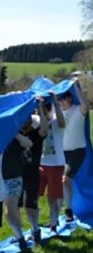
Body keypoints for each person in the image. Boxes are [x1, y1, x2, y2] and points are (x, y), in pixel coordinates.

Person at [18, 98, 48, 243]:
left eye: (27, 118)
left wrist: (40, 107)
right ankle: (18, 235)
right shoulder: (16, 134)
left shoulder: (36, 134)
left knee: (30, 206)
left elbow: (45, 127)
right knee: (14, 207)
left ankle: (35, 229)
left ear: (30, 120)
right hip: (16, 175)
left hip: (32, 175)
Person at [59, 79, 89, 222]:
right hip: (61, 153)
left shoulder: (78, 110)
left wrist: (76, 86)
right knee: (59, 182)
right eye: (60, 99)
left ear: (70, 98)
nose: (62, 102)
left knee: (65, 179)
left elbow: (85, 104)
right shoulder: (57, 113)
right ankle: (55, 215)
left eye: (64, 98)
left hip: (77, 152)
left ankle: (68, 211)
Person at [2, 129, 33, 251]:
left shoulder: (13, 134)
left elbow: (29, 143)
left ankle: (20, 240)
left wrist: (14, 133)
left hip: (13, 178)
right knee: (12, 211)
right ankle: (18, 236)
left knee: (9, 211)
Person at [39, 91, 65, 232]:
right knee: (34, 196)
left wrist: (56, 102)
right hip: (41, 165)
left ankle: (53, 225)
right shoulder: (39, 122)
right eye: (43, 110)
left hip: (55, 165)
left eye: (47, 108)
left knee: (52, 198)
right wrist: (39, 106)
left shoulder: (56, 121)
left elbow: (61, 122)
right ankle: (37, 226)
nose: (46, 112)